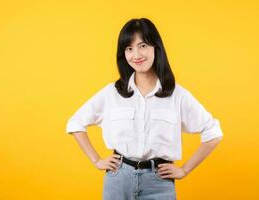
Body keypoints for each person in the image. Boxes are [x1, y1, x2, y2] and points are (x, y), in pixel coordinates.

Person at [66, 18, 223, 200]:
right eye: (129, 48)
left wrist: (184, 170)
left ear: (156, 47)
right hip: (118, 180)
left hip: (159, 182)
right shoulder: (112, 93)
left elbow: (213, 132)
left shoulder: (177, 95)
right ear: (123, 54)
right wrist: (96, 160)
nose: (136, 55)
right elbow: (75, 123)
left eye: (143, 46)